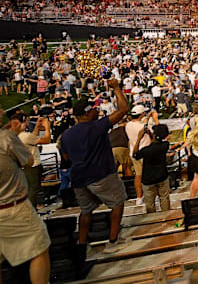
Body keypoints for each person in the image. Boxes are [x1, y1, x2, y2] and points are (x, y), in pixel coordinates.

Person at [60, 79, 132, 254]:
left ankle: (82, 245)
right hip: (101, 174)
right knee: (117, 203)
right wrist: (116, 87)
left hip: (79, 178)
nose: (97, 111)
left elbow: (66, 157)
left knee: (85, 211)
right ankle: (113, 241)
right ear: (86, 113)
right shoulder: (96, 127)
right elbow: (123, 109)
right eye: (94, 109)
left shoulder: (66, 135)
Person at [0, 110, 51, 284]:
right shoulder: (6, 138)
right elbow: (27, 160)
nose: (1, 112)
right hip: (13, 206)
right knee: (39, 248)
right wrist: (13, 135)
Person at [9, 113, 51, 207]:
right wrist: (47, 126)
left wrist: (36, 126)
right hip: (33, 167)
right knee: (33, 191)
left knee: (28, 191)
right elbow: (46, 140)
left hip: (22, 167)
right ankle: (32, 212)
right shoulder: (25, 136)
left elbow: (32, 138)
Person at [132, 124, 172, 213]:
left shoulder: (146, 150)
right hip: (162, 176)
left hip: (148, 179)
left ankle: (152, 219)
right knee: (164, 198)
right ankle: (166, 216)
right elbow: (156, 143)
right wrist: (151, 135)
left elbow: (135, 155)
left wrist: (139, 138)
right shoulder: (165, 145)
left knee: (150, 203)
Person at [126, 105, 152, 204]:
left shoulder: (128, 125)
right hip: (145, 152)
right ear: (141, 114)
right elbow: (152, 135)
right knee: (149, 175)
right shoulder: (143, 126)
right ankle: (151, 195)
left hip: (134, 152)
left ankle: (139, 197)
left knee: (138, 175)